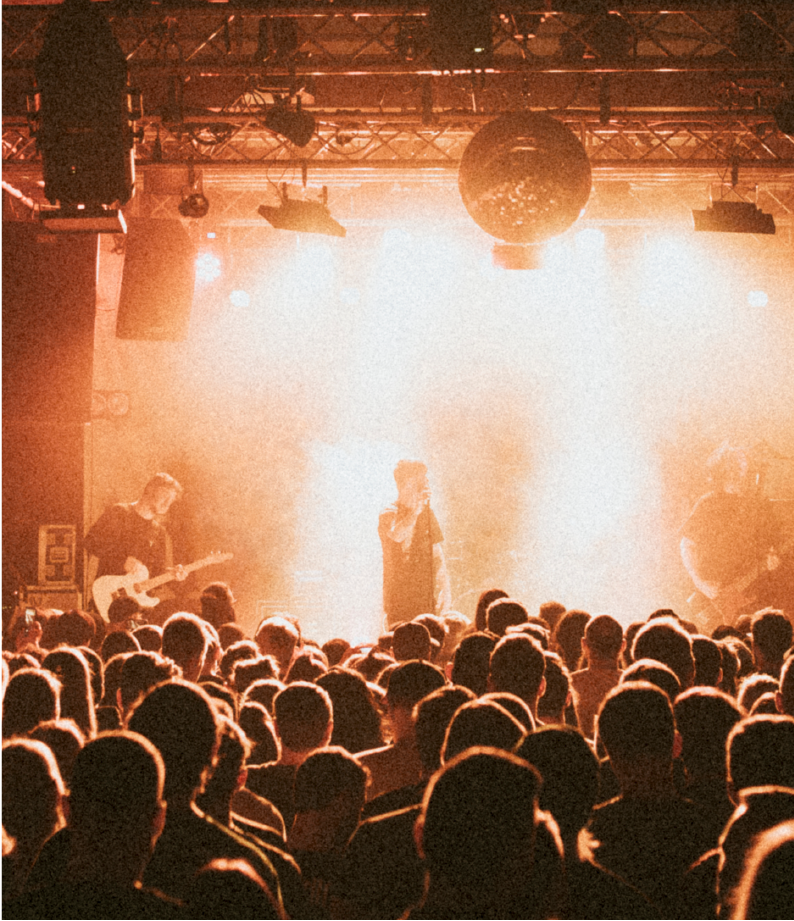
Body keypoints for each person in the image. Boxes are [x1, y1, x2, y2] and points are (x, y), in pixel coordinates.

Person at [680, 444, 791, 628]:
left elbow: (774, 544)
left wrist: (772, 559)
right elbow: (687, 545)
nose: (740, 473)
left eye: (742, 466)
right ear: (721, 471)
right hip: (715, 594)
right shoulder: (709, 503)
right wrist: (701, 583)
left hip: (752, 595)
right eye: (733, 467)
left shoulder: (759, 505)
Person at [85, 473, 185, 622]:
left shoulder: (159, 532)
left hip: (138, 612)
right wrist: (121, 561)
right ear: (150, 490)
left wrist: (173, 575)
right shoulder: (119, 513)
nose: (167, 503)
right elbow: (90, 542)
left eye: (171, 500)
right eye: (165, 496)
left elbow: (156, 573)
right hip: (108, 599)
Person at [379, 460, 451, 629]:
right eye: (419, 479)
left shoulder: (426, 513)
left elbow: (437, 555)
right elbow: (397, 535)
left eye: (425, 479)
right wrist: (416, 510)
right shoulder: (388, 513)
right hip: (399, 599)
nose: (425, 483)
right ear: (406, 483)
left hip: (425, 597)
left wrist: (445, 589)